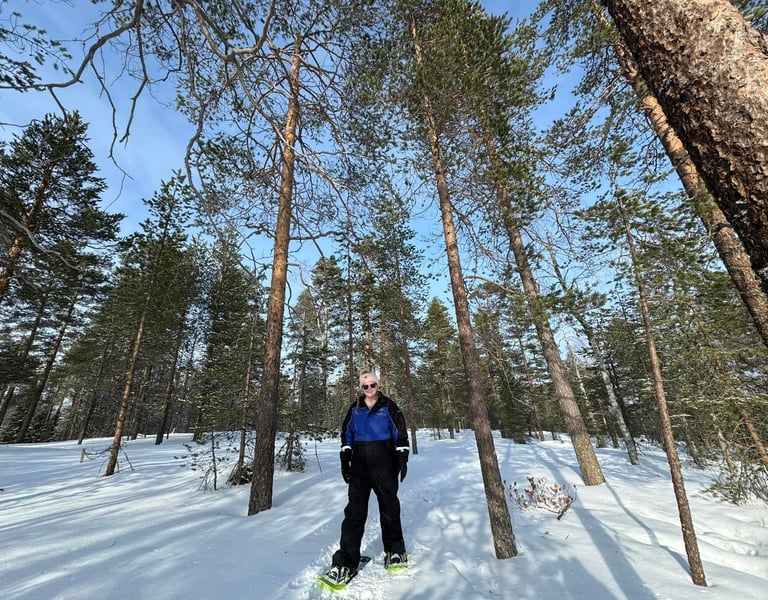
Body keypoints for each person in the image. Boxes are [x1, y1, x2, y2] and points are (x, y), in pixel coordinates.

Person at [323, 371, 410, 586]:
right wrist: (345, 455)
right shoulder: (355, 409)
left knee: (389, 507)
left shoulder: (389, 406)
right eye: (366, 386)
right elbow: (347, 433)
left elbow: (400, 432)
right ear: (361, 388)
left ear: (378, 385)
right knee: (354, 512)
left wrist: (402, 456)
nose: (370, 389)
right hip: (360, 465)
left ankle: (395, 550)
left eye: (373, 385)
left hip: (384, 462)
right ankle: (345, 562)